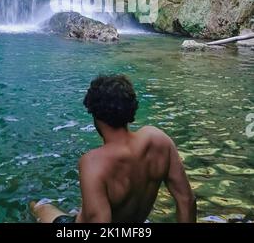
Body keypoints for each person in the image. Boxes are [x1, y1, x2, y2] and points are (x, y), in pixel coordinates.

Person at [30, 74, 197, 223]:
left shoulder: (94, 162)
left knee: (37, 206)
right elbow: (186, 201)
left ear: (96, 116)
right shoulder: (159, 140)